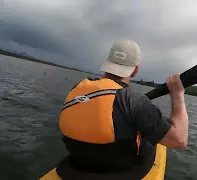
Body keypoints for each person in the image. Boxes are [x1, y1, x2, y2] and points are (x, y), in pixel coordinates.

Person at [56, 39, 189, 179]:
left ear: (107, 63)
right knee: (148, 140)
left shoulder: (77, 88)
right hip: (119, 172)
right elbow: (179, 140)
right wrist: (177, 95)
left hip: (75, 166)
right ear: (135, 70)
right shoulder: (134, 100)